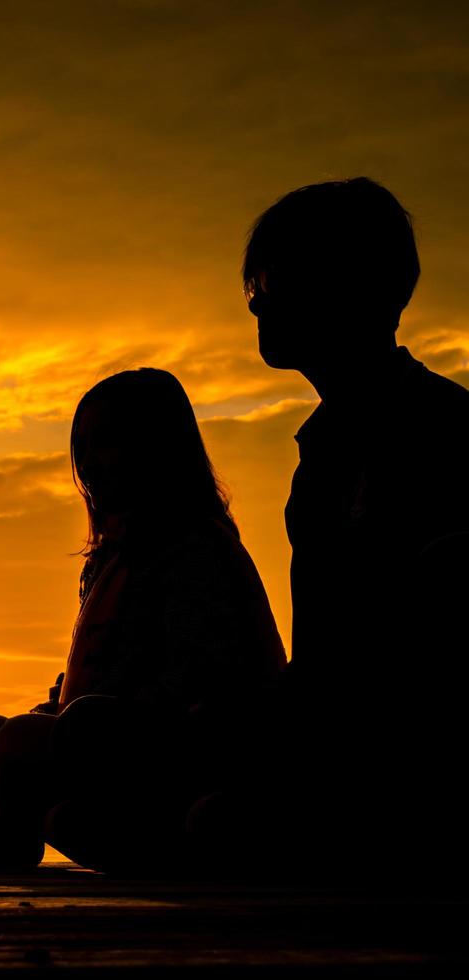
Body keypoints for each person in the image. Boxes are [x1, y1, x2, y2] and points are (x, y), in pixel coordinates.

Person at [0, 369, 285, 870]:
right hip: (88, 740)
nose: (92, 463)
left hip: (173, 755)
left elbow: (210, 684)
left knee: (32, 738)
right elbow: (87, 672)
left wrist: (83, 718)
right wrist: (54, 709)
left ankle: (0, 833)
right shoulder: (107, 561)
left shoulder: (198, 549)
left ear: (157, 447)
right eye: (84, 447)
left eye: (109, 443)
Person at [186, 178, 469, 877]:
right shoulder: (320, 453)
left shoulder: (442, 433)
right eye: (252, 283)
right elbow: (314, 664)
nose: (253, 299)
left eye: (271, 279)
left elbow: (392, 669)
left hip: (398, 776)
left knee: (179, 805)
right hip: (319, 747)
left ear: (349, 287)